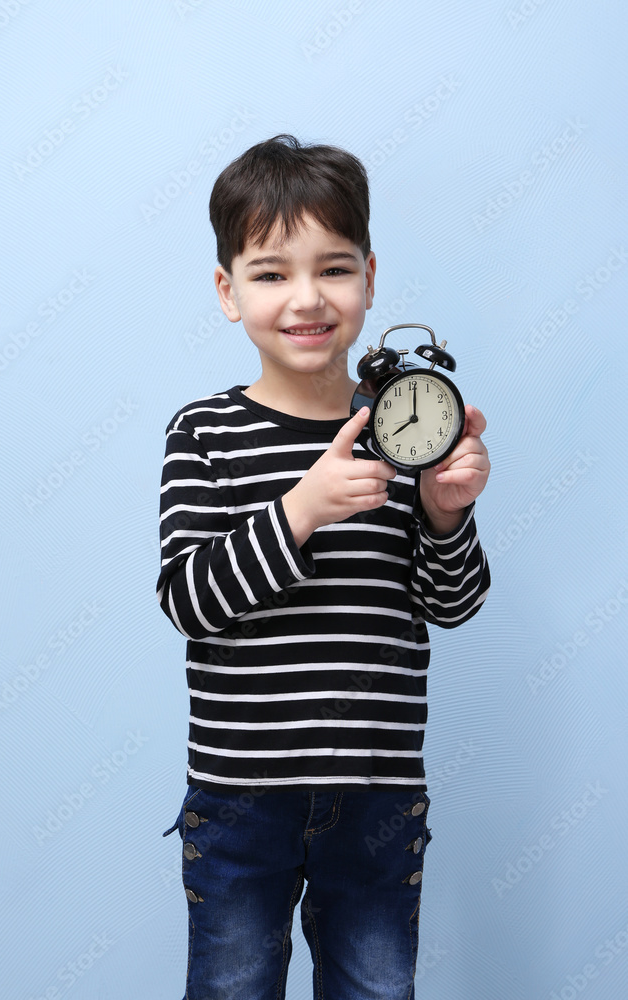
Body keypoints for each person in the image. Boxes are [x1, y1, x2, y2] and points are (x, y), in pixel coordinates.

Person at [158, 134, 491, 1000]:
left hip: (377, 793)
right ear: (228, 292)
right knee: (231, 988)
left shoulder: (406, 427)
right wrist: (301, 509)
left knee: (375, 989)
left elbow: (449, 604)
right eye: (270, 273)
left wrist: (446, 511)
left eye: (333, 269)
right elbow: (189, 600)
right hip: (239, 794)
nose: (306, 297)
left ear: (369, 281)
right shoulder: (204, 434)